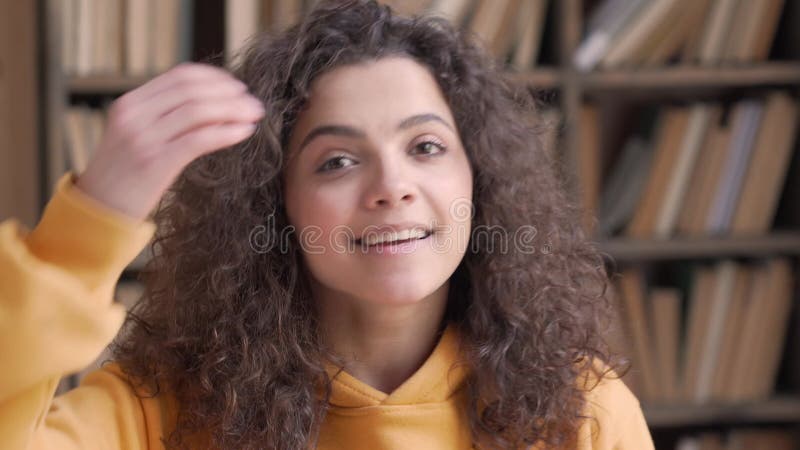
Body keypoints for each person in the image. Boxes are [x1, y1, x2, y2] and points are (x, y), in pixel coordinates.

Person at [0, 1, 654, 449]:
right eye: (337, 161)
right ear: (274, 203)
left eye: (425, 147)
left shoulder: (585, 415)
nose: (392, 187)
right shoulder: (157, 413)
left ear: (478, 180)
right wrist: (89, 226)